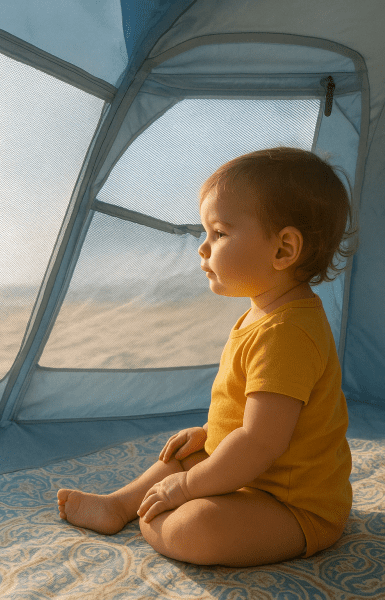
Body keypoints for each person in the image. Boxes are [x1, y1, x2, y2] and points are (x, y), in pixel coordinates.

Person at [57, 146, 359, 567]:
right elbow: (248, 417)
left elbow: (260, 441)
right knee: (181, 455)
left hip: (292, 506)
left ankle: (152, 516)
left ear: (283, 250)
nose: (203, 248)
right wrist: (209, 436)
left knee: (196, 527)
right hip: (251, 475)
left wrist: (184, 490)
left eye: (218, 233)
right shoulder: (263, 313)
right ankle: (120, 504)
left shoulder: (288, 333)